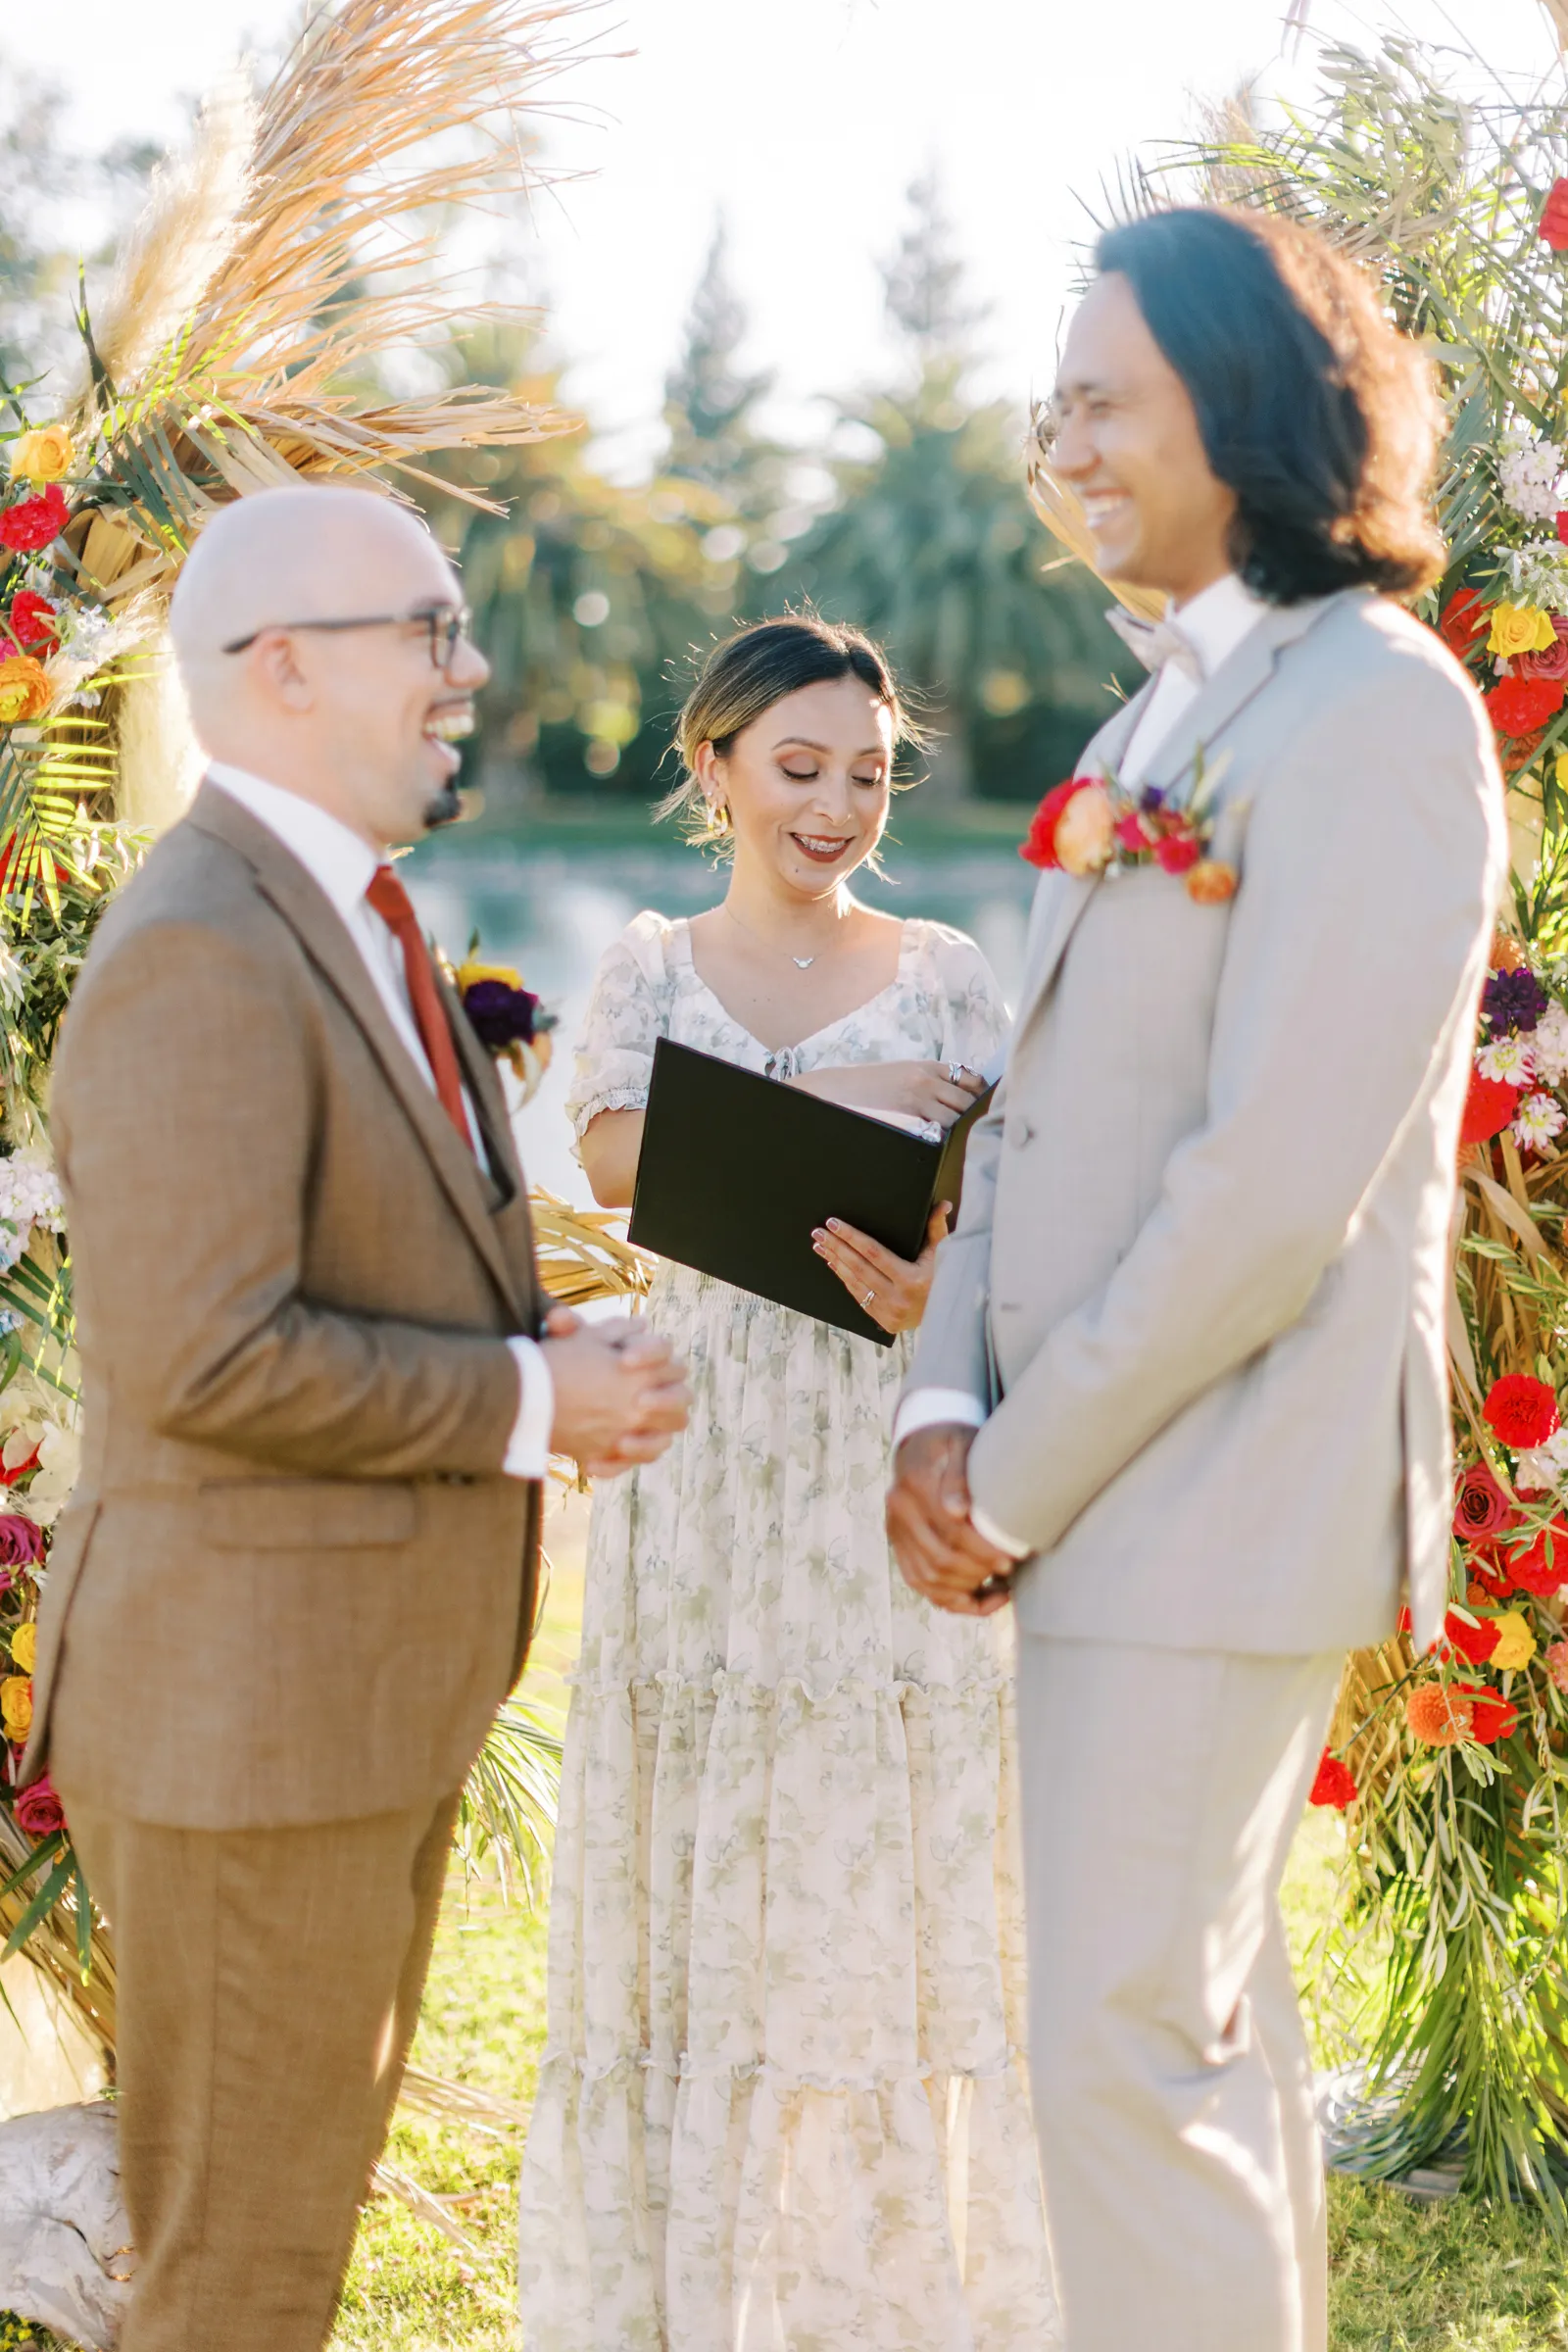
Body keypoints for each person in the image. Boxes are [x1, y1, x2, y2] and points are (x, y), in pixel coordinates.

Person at [887, 206, 1506, 2352]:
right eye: (1045, 402)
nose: (1056, 443)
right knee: (1184, 2047)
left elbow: (1270, 1185)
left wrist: (1015, 1467)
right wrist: (933, 1405)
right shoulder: (1160, 719)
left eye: (1099, 399)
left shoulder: (1369, 715)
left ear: (1242, 411)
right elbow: (1046, 1110)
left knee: (1125, 2061)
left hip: (1211, 1483)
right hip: (1094, 1475)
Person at [20, 483, 689, 2352]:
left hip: (344, 1717)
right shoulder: (199, 949)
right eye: (431, 631)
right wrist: (525, 1395)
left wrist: (532, 1323)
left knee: (280, 2262)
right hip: (251, 1731)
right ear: (283, 666)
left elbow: (329, 1264)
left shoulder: (354, 921)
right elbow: (206, 1360)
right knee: (232, 2280)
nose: (471, 671)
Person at [517, 616, 1057, 2348]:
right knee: (703, 1843)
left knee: (884, 1848)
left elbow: (1005, 1200)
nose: (837, 805)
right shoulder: (654, 960)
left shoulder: (952, 967)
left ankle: (889, 2293)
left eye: (870, 774)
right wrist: (833, 1089)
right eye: (801, 767)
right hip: (704, 1459)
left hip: (881, 1425)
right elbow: (607, 1154)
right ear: (717, 768)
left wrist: (944, 1290)